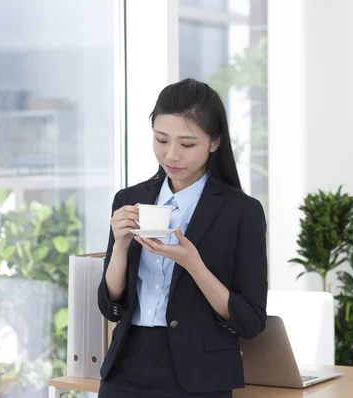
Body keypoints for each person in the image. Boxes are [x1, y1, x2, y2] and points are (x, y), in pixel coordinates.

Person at [97, 78, 268, 398]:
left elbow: (251, 321)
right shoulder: (130, 198)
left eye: (187, 144)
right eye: (161, 140)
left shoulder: (242, 212)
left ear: (214, 142)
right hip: (125, 369)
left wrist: (194, 265)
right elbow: (111, 306)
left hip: (200, 377)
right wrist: (120, 247)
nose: (171, 155)